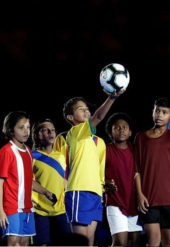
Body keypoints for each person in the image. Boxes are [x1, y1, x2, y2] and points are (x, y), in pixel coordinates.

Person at [53, 89, 124, 246]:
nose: (86, 111)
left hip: (95, 195)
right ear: (70, 118)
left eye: (87, 108)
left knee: (90, 242)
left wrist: (103, 187)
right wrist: (112, 97)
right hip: (79, 191)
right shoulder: (76, 132)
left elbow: (99, 170)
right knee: (81, 242)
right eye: (81, 109)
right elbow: (98, 117)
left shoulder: (99, 142)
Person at [134, 97, 170, 247]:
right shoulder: (141, 138)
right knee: (152, 241)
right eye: (157, 110)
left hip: (169, 199)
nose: (159, 114)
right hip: (148, 199)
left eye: (164, 112)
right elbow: (136, 170)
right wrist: (139, 195)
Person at [0, 112, 53, 246]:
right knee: (14, 244)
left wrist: (45, 191)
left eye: (28, 127)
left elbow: (27, 181)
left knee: (24, 244)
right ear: (11, 130)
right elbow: (0, 182)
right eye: (21, 127)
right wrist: (1, 211)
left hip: (28, 209)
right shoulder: (7, 151)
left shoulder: (29, 151)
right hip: (11, 208)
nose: (26, 131)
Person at [31, 118, 71, 246]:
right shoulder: (31, 156)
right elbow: (28, 182)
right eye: (45, 130)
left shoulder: (61, 156)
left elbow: (64, 181)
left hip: (61, 210)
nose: (50, 133)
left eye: (52, 130)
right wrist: (45, 192)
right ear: (37, 134)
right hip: (40, 211)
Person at [104, 112, 142, 247]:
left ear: (130, 132)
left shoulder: (136, 149)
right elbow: (95, 172)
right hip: (115, 201)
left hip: (135, 202)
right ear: (111, 132)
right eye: (117, 128)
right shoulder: (105, 150)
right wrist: (104, 182)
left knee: (135, 242)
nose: (121, 130)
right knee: (120, 242)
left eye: (124, 127)